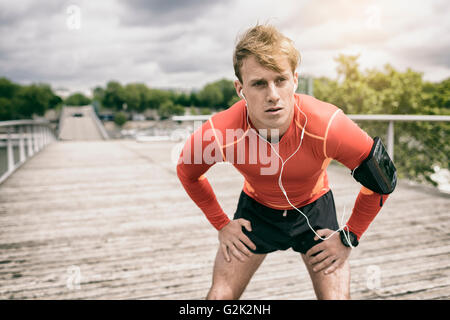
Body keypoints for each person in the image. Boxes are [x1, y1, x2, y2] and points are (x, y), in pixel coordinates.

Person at [176, 24, 393, 300]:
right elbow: (187, 173)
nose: (273, 95)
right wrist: (221, 224)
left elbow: (383, 179)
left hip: (314, 212)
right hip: (257, 214)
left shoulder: (327, 126)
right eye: (258, 83)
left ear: (295, 80)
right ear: (240, 88)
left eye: (280, 80)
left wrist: (350, 236)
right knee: (219, 297)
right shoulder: (221, 133)